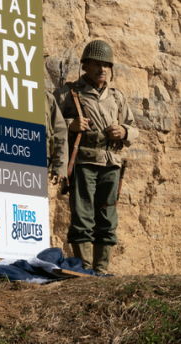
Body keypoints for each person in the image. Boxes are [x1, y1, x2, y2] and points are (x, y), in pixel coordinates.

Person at [55, 40, 137, 274]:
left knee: (107, 215)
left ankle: (100, 271)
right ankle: (84, 268)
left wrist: (124, 131)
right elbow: (49, 122)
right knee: (82, 215)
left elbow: (134, 127)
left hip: (111, 163)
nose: (103, 70)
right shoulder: (68, 92)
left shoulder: (117, 96)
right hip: (83, 162)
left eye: (107, 66)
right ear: (85, 66)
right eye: (97, 65)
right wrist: (71, 124)